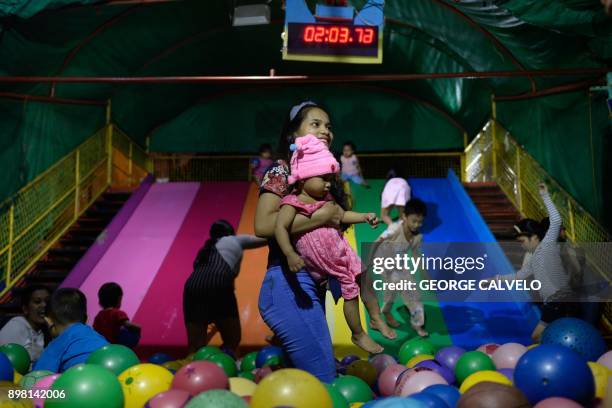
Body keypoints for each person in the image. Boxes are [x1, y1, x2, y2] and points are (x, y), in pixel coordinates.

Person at [256, 101, 351, 382]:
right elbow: (262, 224)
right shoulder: (282, 170)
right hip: (288, 283)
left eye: (328, 126)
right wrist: (323, 216)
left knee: (305, 380)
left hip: (311, 287)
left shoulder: (323, 180)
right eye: (316, 124)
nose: (325, 131)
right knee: (323, 379)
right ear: (293, 135)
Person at [275, 134, 384, 354]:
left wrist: (364, 216)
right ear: (304, 178)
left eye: (329, 178)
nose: (328, 184)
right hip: (323, 265)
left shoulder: (326, 201)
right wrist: (289, 253)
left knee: (361, 281)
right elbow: (280, 228)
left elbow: (343, 216)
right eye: (323, 178)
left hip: (341, 254)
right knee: (349, 292)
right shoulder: (292, 203)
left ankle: (372, 320)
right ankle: (358, 333)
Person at [183, 220, 267, 354]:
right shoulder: (233, 240)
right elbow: (265, 239)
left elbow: (204, 276)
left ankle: (192, 370)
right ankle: (224, 366)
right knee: (232, 340)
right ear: (230, 232)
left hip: (192, 287)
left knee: (195, 345)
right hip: (218, 285)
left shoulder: (204, 250)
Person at [506, 183, 570, 342]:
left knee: (537, 336)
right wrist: (493, 280)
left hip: (559, 300)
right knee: (550, 335)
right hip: (553, 301)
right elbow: (520, 276)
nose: (521, 245)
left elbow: (555, 221)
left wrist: (545, 196)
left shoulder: (547, 244)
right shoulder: (533, 256)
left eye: (522, 241)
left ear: (534, 237)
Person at [363, 198, 429, 337]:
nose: (417, 225)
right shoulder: (395, 228)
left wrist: (424, 275)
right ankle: (414, 323)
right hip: (384, 261)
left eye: (420, 222)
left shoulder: (418, 236)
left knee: (396, 291)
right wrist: (368, 262)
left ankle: (387, 314)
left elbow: (417, 255)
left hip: (398, 263)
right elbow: (377, 242)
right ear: (404, 217)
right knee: (409, 292)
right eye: (414, 221)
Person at [33, 288, 108, 372]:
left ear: (49, 321)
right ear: (85, 319)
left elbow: (39, 376)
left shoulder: (56, 345)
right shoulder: (99, 338)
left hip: (75, 382)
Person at [0, 284, 50, 363]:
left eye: (47, 301)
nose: (44, 305)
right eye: (37, 302)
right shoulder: (16, 326)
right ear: (25, 309)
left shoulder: (44, 330)